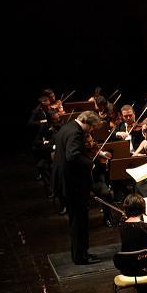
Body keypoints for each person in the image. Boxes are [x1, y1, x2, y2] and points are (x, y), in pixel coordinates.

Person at [58, 110, 104, 264]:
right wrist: (90, 164)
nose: (91, 131)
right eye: (92, 128)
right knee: (79, 221)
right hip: (74, 185)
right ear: (87, 123)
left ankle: (82, 253)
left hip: (68, 182)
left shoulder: (67, 126)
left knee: (78, 220)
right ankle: (80, 257)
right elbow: (72, 155)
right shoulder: (76, 133)